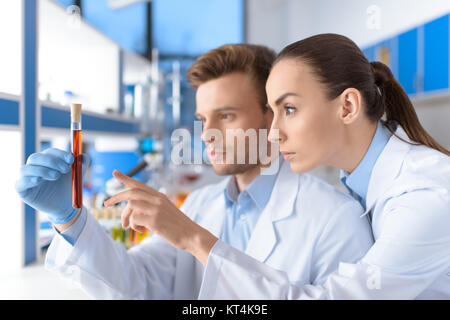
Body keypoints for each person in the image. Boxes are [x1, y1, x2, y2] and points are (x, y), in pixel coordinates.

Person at [15, 43, 373, 299]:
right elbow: (134, 284)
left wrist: (192, 237)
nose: (207, 134)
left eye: (226, 116)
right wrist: (69, 219)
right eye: (203, 119)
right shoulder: (201, 205)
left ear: (271, 114)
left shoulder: (337, 219)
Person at [125, 33, 449, 299]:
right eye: (274, 111)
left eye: (290, 109)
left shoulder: (424, 196)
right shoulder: (363, 183)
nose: (274, 132)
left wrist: (195, 239)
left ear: (347, 106)